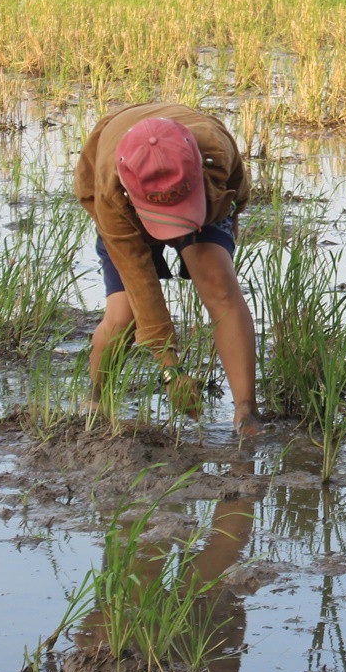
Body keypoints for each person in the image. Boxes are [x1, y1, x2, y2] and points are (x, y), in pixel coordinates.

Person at [75, 102, 261, 436]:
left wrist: (229, 218)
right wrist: (171, 371)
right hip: (128, 204)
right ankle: (94, 403)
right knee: (123, 313)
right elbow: (141, 286)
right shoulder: (111, 190)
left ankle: (247, 414)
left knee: (219, 286)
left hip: (199, 192)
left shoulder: (213, 148)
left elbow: (238, 185)